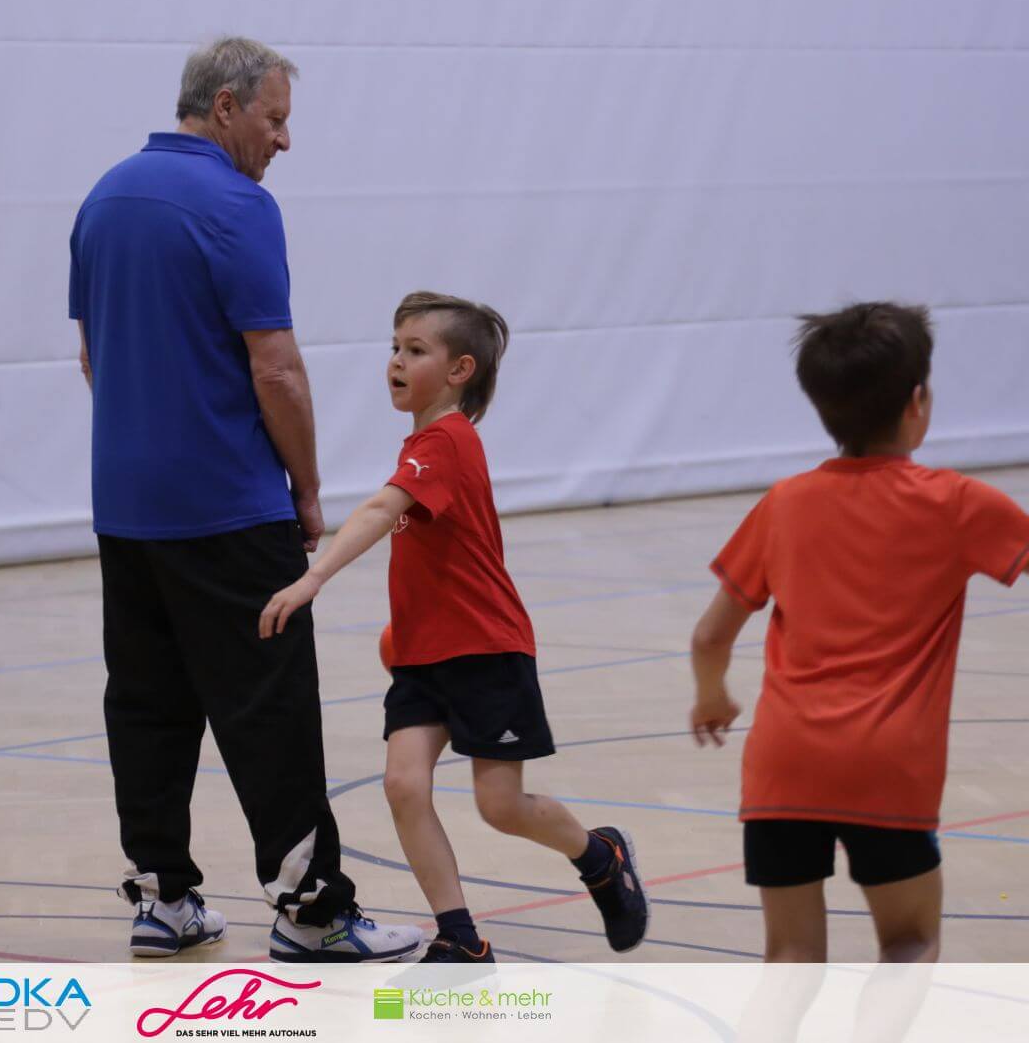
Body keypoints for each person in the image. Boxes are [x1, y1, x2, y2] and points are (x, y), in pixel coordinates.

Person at [68, 36, 420, 962]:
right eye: (276, 119)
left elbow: (93, 357)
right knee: (269, 706)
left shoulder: (104, 198)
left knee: (147, 704)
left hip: (125, 509)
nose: (284, 141)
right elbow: (278, 371)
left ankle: (163, 900)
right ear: (224, 107)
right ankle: (312, 914)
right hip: (228, 507)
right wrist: (306, 487)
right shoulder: (238, 205)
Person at [260, 291, 651, 963]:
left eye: (415, 350)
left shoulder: (447, 441)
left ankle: (600, 856)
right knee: (403, 785)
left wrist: (313, 577)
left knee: (500, 806)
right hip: (421, 657)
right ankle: (461, 938)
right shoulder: (421, 444)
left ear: (459, 369)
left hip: (486, 650)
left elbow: (381, 509)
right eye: (394, 347)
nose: (396, 361)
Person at [688, 301, 1029, 963]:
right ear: (918, 402)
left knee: (790, 960)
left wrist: (711, 696)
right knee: (911, 940)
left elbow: (709, 638)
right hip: (887, 768)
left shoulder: (785, 502)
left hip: (784, 765)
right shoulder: (957, 503)